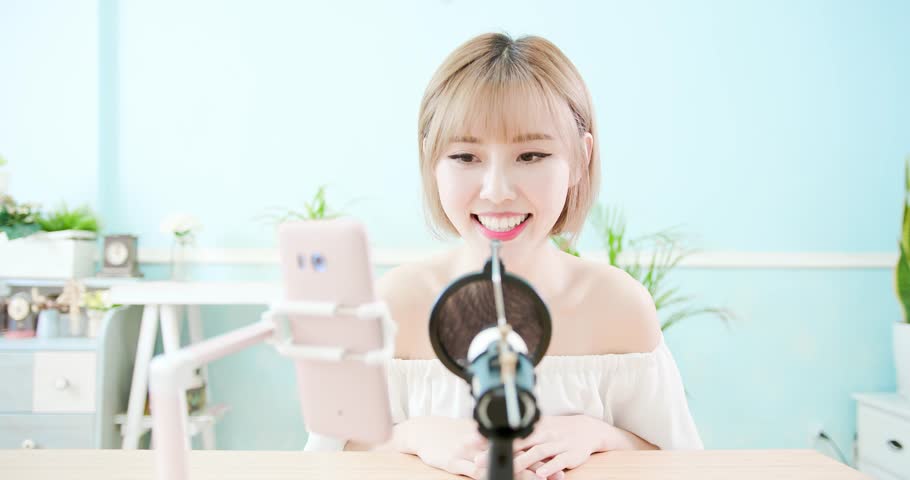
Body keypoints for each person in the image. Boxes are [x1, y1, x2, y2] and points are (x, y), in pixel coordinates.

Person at [346, 32, 703, 479]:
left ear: (580, 159)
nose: (497, 191)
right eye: (465, 156)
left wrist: (602, 436)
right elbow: (333, 456)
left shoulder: (619, 306)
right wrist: (411, 436)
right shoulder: (393, 304)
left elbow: (682, 461)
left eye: (531, 155)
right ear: (431, 161)